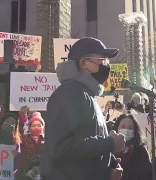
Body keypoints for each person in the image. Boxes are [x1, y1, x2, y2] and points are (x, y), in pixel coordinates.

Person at [41, 37, 125, 180]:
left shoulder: (87, 95)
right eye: (102, 60)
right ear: (84, 63)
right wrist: (110, 143)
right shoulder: (70, 92)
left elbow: (86, 149)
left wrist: (109, 167)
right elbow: (62, 148)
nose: (106, 65)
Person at [113, 114, 152, 180]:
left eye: (130, 128)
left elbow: (148, 173)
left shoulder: (141, 151)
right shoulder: (110, 150)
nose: (126, 130)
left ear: (134, 131)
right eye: (123, 126)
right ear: (117, 128)